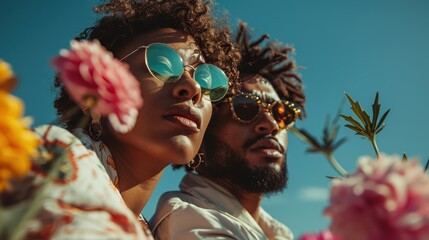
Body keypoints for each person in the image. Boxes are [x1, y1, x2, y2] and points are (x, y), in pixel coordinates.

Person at [1, 0, 240, 239]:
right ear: (96, 85)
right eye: (161, 63)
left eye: (208, 79)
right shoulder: (50, 156)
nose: (193, 87)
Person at [150, 23, 306, 239]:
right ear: (202, 130)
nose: (270, 124)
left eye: (282, 113)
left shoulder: (276, 232)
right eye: (245, 107)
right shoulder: (191, 222)